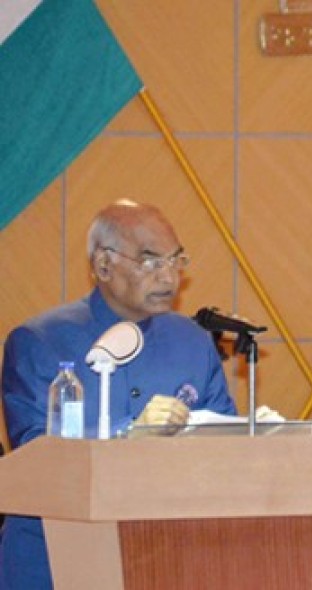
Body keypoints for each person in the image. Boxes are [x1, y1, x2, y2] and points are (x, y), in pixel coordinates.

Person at [0, 199, 237, 589]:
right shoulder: (39, 342)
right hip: (56, 558)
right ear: (103, 265)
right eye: (150, 262)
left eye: (176, 260)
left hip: (164, 556)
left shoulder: (193, 342)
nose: (169, 277)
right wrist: (131, 433)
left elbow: (223, 447)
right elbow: (37, 460)